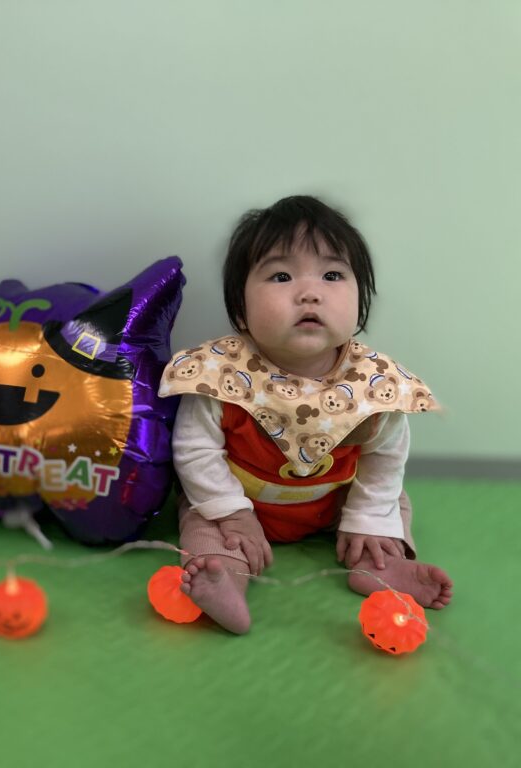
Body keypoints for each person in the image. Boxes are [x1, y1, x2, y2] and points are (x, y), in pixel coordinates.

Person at [159, 195, 452, 634]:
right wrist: (233, 512)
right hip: (240, 505)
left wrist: (367, 519)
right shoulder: (219, 376)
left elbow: (385, 459)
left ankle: (379, 565)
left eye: (332, 275)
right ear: (240, 309)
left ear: (361, 301)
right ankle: (226, 577)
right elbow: (194, 451)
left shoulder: (374, 384)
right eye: (281, 276)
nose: (310, 293)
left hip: (331, 502)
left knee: (390, 503)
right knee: (201, 518)